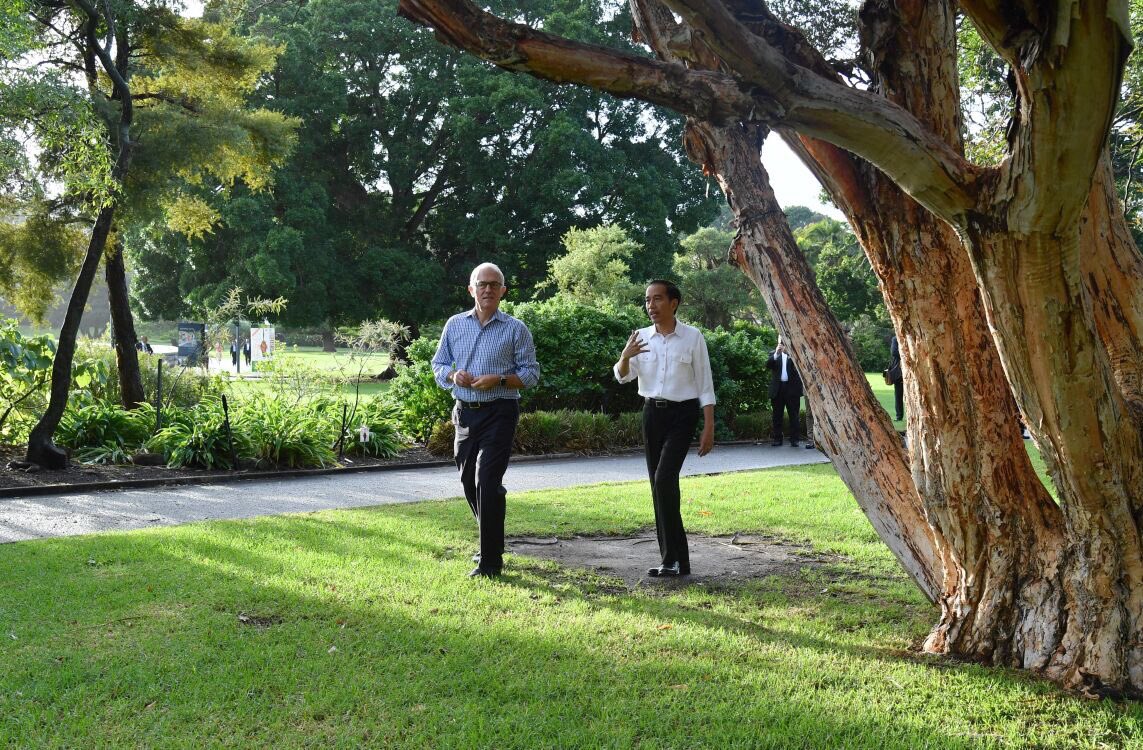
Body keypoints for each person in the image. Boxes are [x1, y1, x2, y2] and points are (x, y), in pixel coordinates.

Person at [432, 262, 540, 578]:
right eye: (482, 284)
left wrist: (501, 380)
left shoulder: (516, 329)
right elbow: (438, 365)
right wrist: (453, 374)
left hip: (500, 413)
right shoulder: (454, 325)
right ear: (471, 289)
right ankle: (490, 538)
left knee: (487, 482)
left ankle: (490, 561)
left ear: (503, 291)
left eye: (494, 284)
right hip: (464, 413)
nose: (488, 289)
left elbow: (531, 374)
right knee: (469, 481)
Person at [614, 280, 715, 578]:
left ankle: (673, 558)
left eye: (657, 299)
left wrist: (708, 426)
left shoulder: (693, 338)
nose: (651, 305)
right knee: (658, 486)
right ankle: (673, 560)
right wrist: (624, 356)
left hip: (682, 415)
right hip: (651, 415)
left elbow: (705, 385)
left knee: (663, 480)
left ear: (674, 303)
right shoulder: (640, 338)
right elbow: (622, 377)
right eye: (647, 300)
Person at [766, 336, 804, 447]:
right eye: (780, 341)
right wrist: (777, 353)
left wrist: (790, 353)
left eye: (784, 341)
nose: (782, 343)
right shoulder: (773, 354)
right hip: (778, 389)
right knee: (777, 415)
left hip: (792, 389)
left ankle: (794, 439)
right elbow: (768, 365)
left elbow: (800, 366)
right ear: (778, 341)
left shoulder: (795, 353)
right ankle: (777, 438)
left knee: (794, 415)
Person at [888, 335, 904, 421]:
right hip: (899, 372)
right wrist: (906, 354)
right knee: (898, 395)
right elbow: (894, 352)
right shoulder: (895, 338)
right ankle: (899, 416)